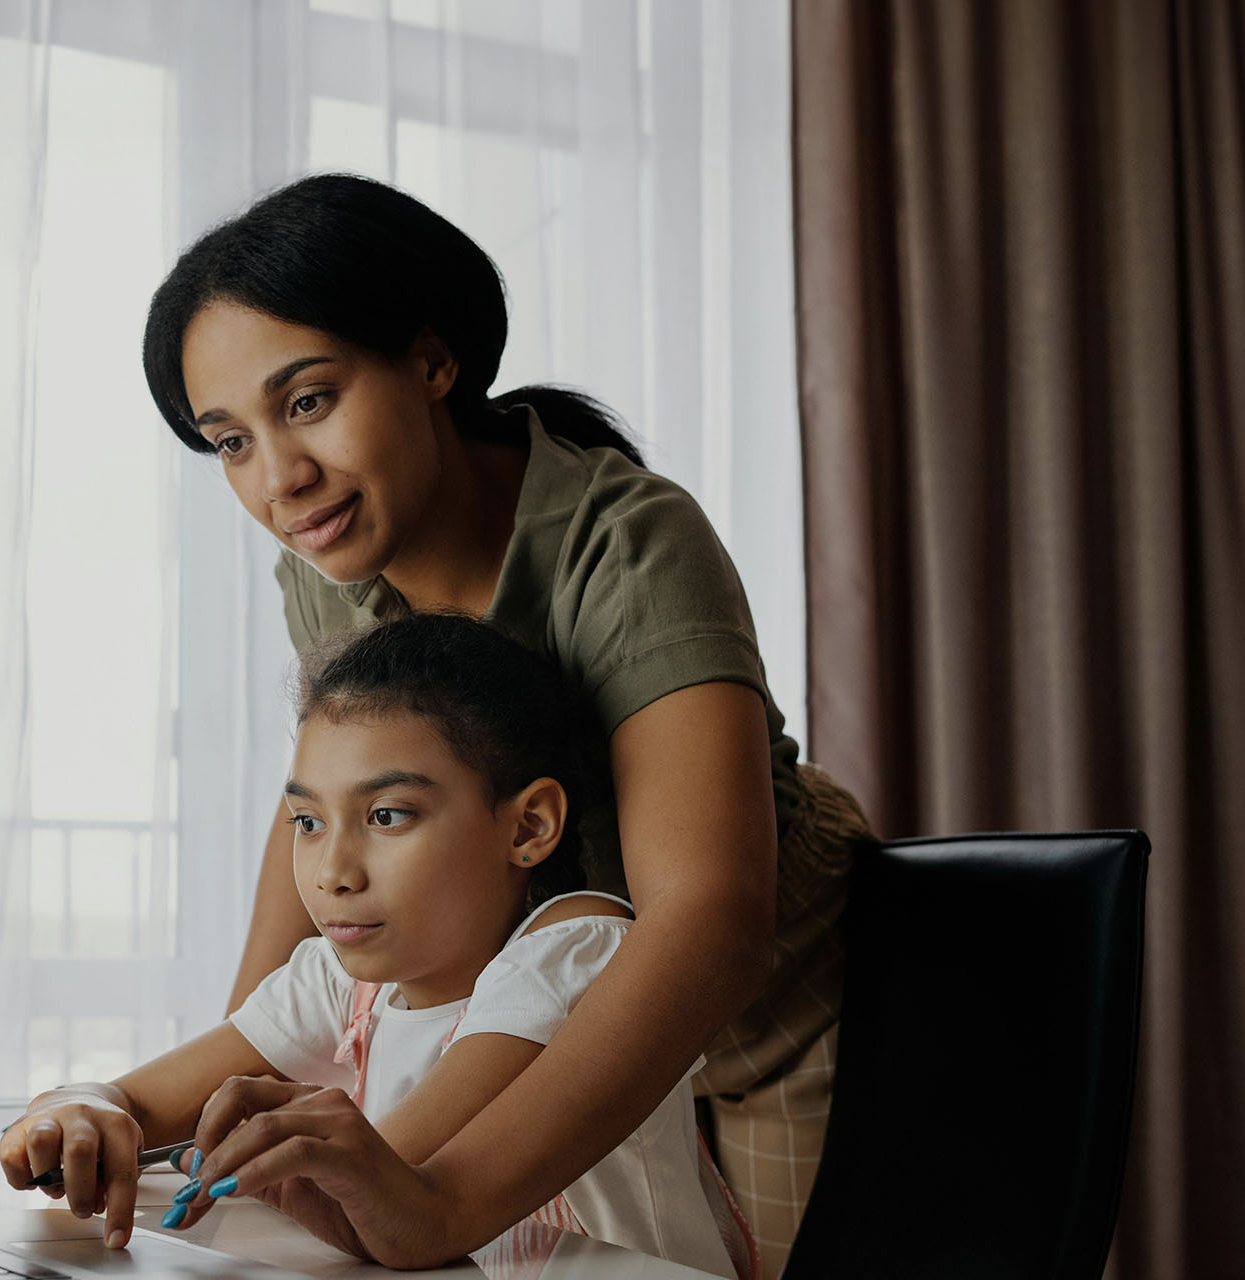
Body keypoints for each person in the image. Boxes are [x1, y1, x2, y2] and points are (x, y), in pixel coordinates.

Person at [130, 173, 877, 1275]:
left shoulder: (627, 540)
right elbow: (323, 812)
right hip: (541, 999)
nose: (280, 479)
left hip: (764, 1002)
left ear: (433, 361)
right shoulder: (329, 562)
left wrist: (440, 1199)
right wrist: (228, 1100)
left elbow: (709, 917)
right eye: (229, 440)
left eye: (306, 402)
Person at [0, 614, 752, 1279]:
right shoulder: (343, 981)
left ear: (527, 827)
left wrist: (254, 1155)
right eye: (308, 822)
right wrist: (78, 1110)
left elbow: (393, 1184)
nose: (332, 872)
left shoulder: (577, 951)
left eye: (389, 816)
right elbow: (137, 1099)